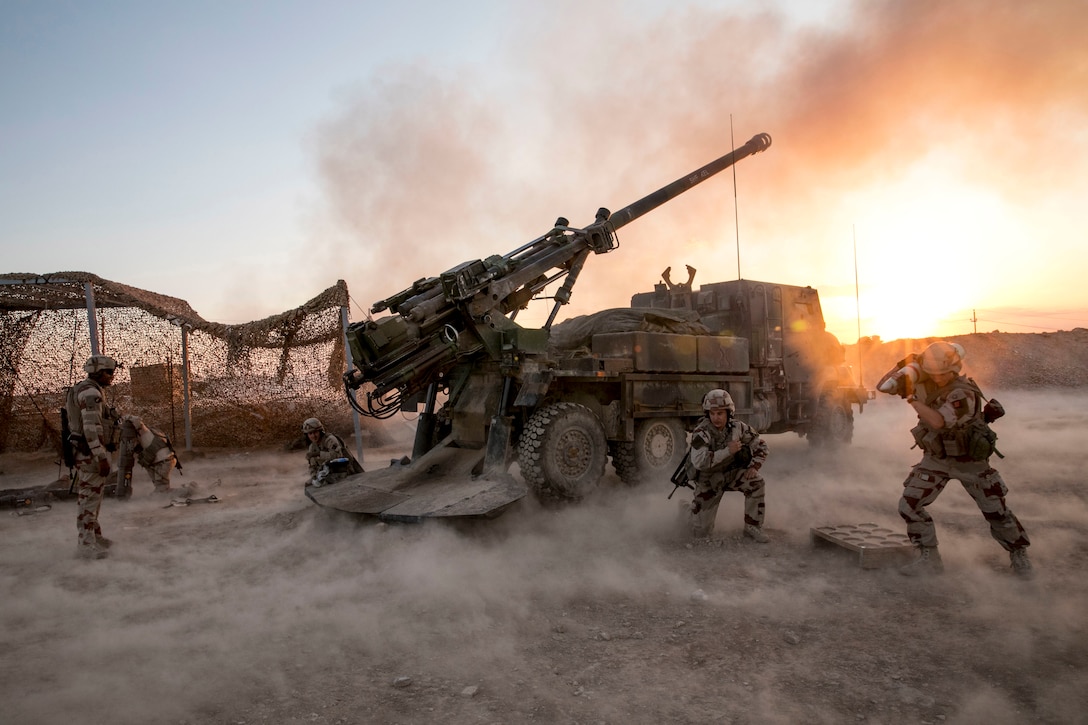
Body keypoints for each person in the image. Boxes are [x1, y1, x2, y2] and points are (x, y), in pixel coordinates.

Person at [877, 341, 1033, 578]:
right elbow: (883, 386)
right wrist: (904, 367)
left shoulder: (963, 393)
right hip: (937, 458)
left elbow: (939, 422)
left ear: (955, 369)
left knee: (995, 511)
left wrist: (912, 399)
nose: (938, 378)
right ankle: (929, 558)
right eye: (933, 373)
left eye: (942, 374)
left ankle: (1018, 552)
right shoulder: (925, 379)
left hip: (969, 460)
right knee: (909, 505)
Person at [686, 388, 770, 542]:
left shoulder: (738, 428)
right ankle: (688, 511)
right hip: (709, 482)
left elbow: (761, 445)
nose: (716, 418)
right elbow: (699, 462)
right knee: (701, 533)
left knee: (756, 482)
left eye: (720, 413)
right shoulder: (701, 432)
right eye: (712, 413)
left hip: (731, 475)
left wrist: (754, 466)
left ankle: (753, 526)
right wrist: (727, 451)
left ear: (728, 413)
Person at [66, 354, 122, 559]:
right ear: (98, 372)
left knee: (92, 498)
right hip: (91, 454)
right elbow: (91, 427)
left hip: (87, 452)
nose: (112, 377)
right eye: (108, 372)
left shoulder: (84, 388)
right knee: (89, 499)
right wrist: (100, 456)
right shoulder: (91, 393)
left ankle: (95, 537)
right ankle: (85, 546)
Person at [117, 414, 188, 496]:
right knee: (159, 490)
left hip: (163, 462)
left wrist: (122, 418)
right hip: (159, 462)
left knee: (162, 491)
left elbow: (136, 420)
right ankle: (186, 491)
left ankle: (189, 491)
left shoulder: (143, 431)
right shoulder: (140, 436)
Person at [302, 417, 362, 486]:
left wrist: (318, 454)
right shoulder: (312, 447)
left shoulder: (330, 440)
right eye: (310, 433)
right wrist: (314, 476)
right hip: (325, 473)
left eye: (315, 432)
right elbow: (312, 466)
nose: (313, 436)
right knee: (309, 484)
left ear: (320, 431)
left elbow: (337, 456)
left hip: (343, 471)